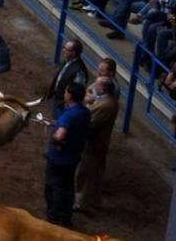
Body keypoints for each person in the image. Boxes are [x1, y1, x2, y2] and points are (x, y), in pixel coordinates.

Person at [44, 82, 90, 229]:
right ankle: (65, 218)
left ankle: (53, 218)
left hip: (59, 158)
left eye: (65, 92)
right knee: (68, 187)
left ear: (70, 96)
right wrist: (55, 123)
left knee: (53, 187)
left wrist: (54, 141)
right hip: (73, 157)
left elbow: (61, 134)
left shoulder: (68, 115)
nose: (64, 94)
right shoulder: (84, 112)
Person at [75, 75, 118, 212]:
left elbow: (91, 124)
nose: (94, 86)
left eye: (97, 85)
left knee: (85, 173)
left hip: (94, 144)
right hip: (98, 143)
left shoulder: (105, 105)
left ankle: (80, 203)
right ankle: (93, 200)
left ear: (102, 88)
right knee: (94, 174)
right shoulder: (107, 101)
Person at [48, 39, 89, 118]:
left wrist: (67, 104)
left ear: (74, 53)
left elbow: (77, 92)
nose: (63, 50)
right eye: (64, 47)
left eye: (67, 49)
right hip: (58, 99)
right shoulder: (67, 61)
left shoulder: (79, 70)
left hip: (64, 105)